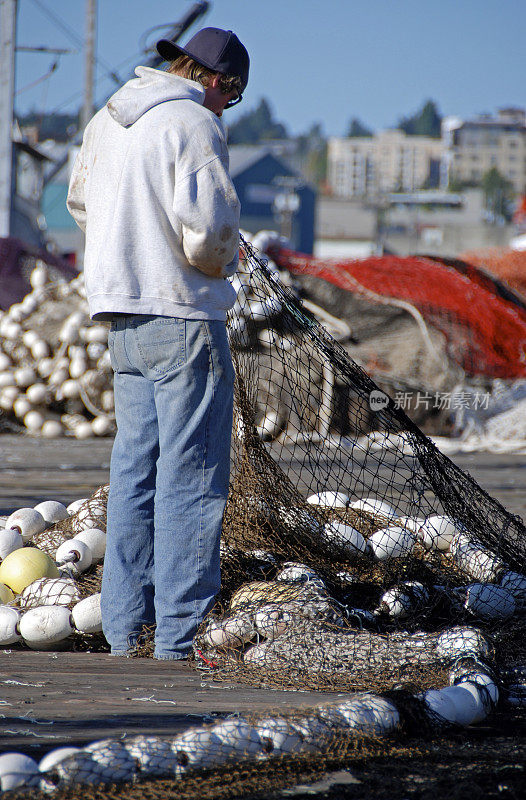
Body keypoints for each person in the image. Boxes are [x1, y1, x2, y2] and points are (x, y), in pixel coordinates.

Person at [67, 27, 249, 659]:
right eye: (232, 96)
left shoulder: (108, 120)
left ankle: (124, 632)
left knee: (134, 471)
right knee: (192, 476)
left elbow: (82, 204)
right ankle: (178, 638)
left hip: (121, 316)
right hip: (182, 317)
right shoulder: (194, 124)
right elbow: (210, 232)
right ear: (219, 83)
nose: (226, 108)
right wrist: (216, 265)